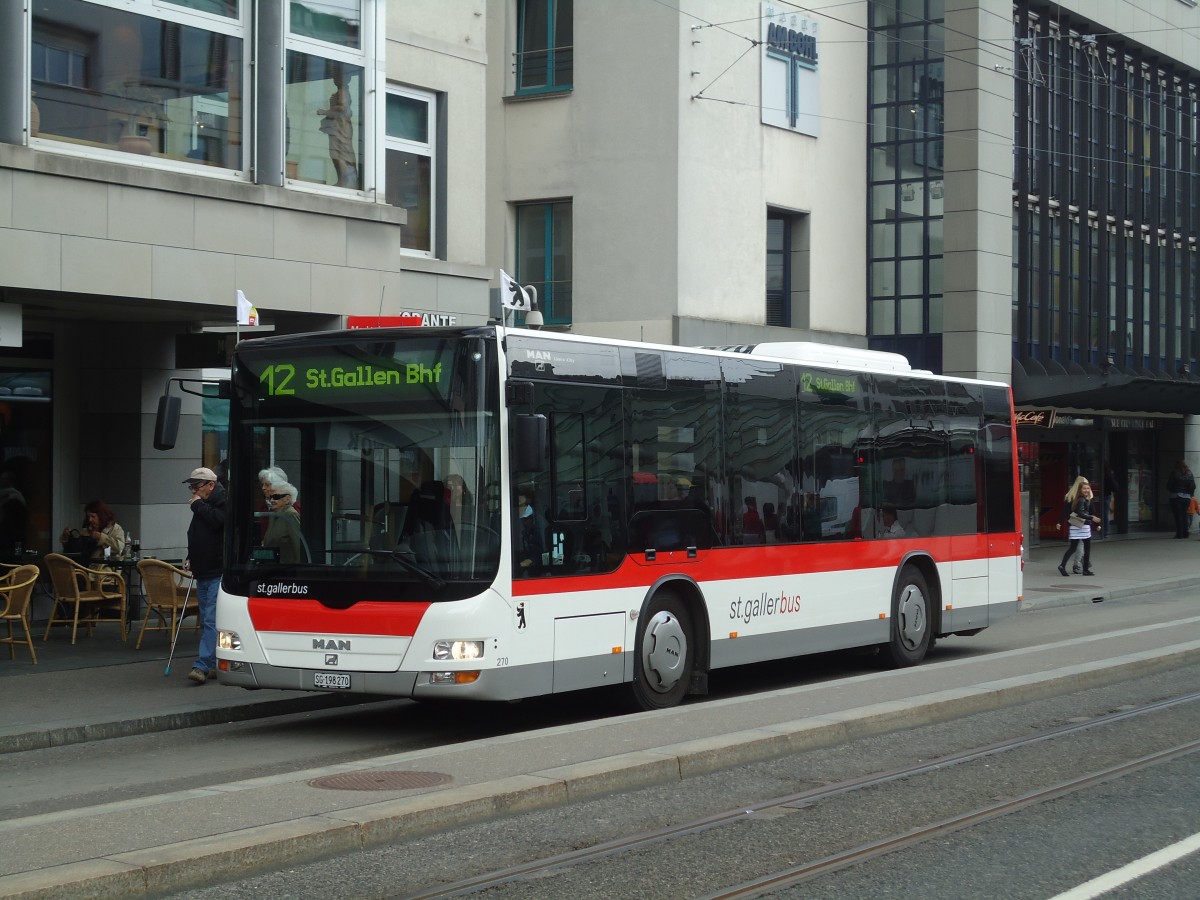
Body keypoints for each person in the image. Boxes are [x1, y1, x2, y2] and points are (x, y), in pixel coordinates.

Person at [183, 466, 225, 685]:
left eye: (196, 486)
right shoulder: (203, 505)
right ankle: (215, 662)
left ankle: (202, 664)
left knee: (210, 618)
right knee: (209, 619)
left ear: (210, 485)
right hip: (204, 570)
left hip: (217, 570)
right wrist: (191, 556)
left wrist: (198, 505)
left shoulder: (221, 502)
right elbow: (198, 534)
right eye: (192, 487)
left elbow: (219, 522)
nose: (193, 491)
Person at [317, 64, 358, 188]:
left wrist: (325, 111)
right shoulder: (342, 91)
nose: (335, 79)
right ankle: (342, 180)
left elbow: (342, 107)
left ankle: (344, 181)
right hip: (338, 126)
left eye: (338, 76)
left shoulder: (343, 91)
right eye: (334, 76)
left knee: (338, 153)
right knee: (336, 153)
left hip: (340, 127)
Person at [1056, 476, 1100, 577]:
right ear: (1080, 488)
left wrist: (1060, 522)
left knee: (1073, 548)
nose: (1087, 490)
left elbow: (1065, 511)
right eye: (1085, 488)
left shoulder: (1072, 496)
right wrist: (1095, 522)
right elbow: (1088, 513)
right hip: (1083, 526)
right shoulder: (1084, 499)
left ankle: (1063, 565)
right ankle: (1082, 568)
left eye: (1088, 488)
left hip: (1074, 525)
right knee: (1085, 547)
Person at [60, 499, 126, 562]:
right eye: (88, 517)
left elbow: (119, 548)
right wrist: (68, 536)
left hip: (105, 568)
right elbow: (72, 549)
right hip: (84, 567)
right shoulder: (86, 530)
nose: (90, 520)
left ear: (102, 516)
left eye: (93, 516)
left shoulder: (115, 529)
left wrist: (101, 537)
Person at [261, 482, 303, 564]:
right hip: (272, 569)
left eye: (276, 497)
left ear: (287, 499)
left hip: (287, 571)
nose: (272, 500)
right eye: (271, 497)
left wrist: (298, 571)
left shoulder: (291, 514)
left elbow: (299, 547)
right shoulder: (274, 515)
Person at [515, 491, 543, 576]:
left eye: (521, 494)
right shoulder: (504, 514)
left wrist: (531, 560)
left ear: (528, 499)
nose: (518, 497)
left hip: (530, 564)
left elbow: (541, 544)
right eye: (517, 495)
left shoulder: (537, 517)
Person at [1166, 459, 1195, 539]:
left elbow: (1169, 485)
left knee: (1178, 516)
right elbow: (1193, 486)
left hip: (1176, 496)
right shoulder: (1189, 473)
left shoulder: (1174, 472)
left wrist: (1172, 490)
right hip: (1186, 498)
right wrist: (1190, 494)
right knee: (1184, 515)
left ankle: (1179, 534)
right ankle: (1185, 533)